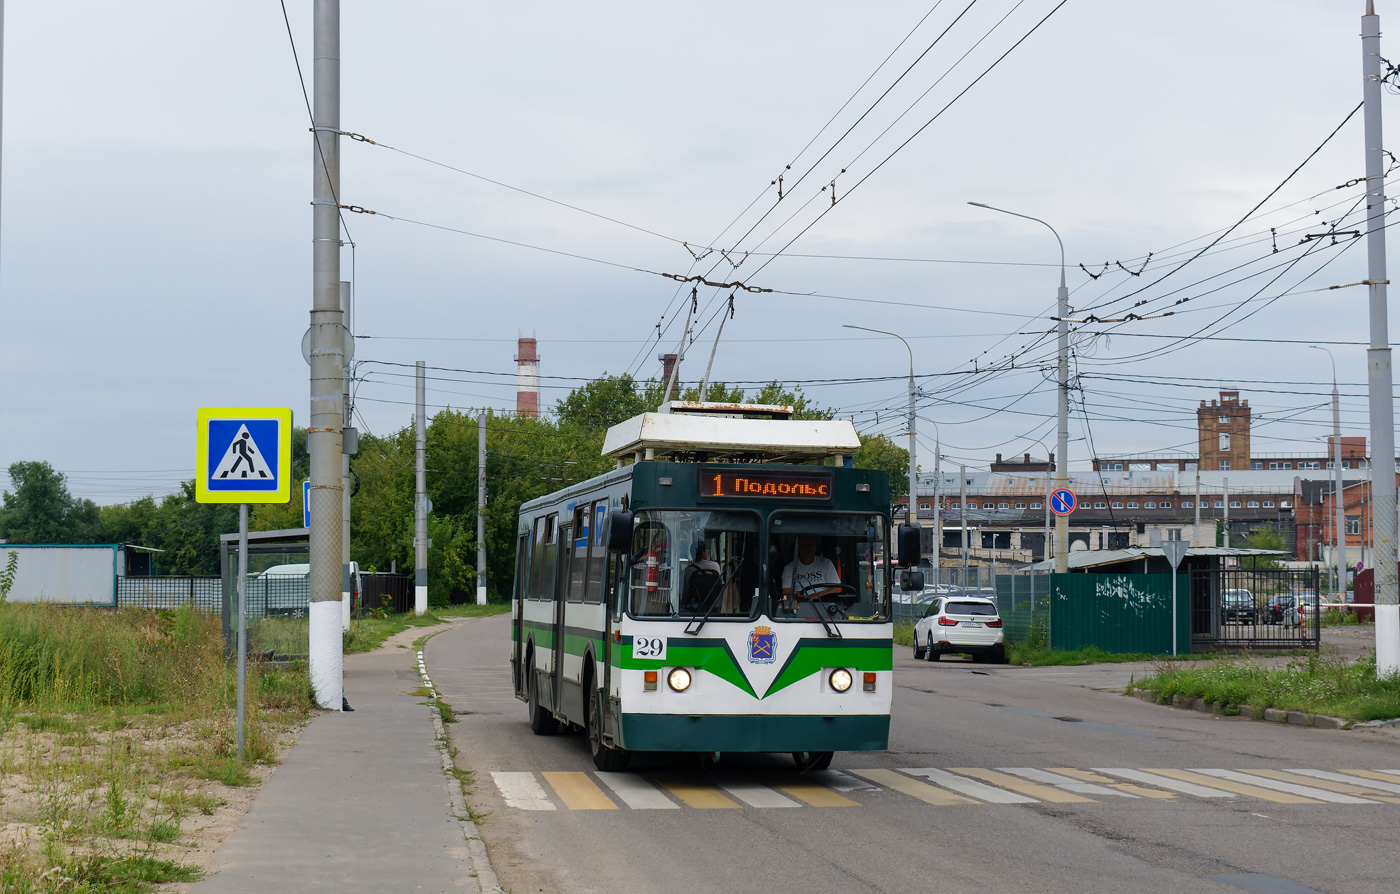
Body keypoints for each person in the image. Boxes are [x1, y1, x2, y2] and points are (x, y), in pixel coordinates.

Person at [781, 535, 842, 607]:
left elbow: (837, 589)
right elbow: (785, 596)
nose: (809, 548)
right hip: (798, 605)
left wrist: (817, 595)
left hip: (824, 605)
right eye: (806, 545)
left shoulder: (826, 563)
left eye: (812, 545)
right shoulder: (789, 568)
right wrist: (795, 597)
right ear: (799, 547)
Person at [681, 541, 722, 612]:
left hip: (695, 604)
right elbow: (719, 585)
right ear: (704, 552)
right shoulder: (715, 565)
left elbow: (685, 589)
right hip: (713, 603)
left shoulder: (689, 569)